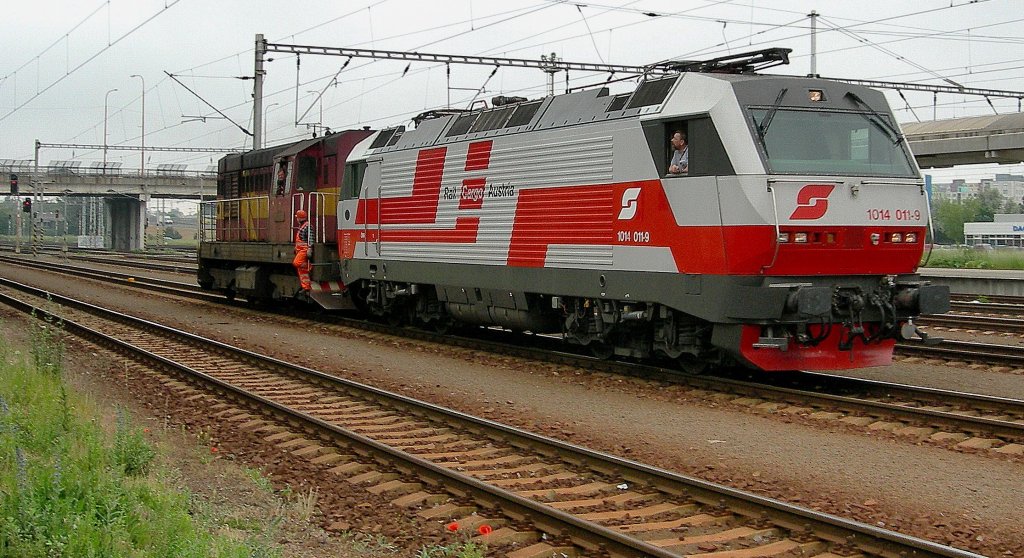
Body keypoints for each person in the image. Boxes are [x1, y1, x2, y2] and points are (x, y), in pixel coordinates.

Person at [293, 209, 312, 292]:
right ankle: (306, 287)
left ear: (300, 218)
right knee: (302, 271)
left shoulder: (307, 226)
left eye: (297, 217)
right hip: (299, 250)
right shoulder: (302, 226)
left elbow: (311, 238)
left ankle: (309, 266)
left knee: (297, 263)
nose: (296, 219)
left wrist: (310, 248)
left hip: (303, 250)